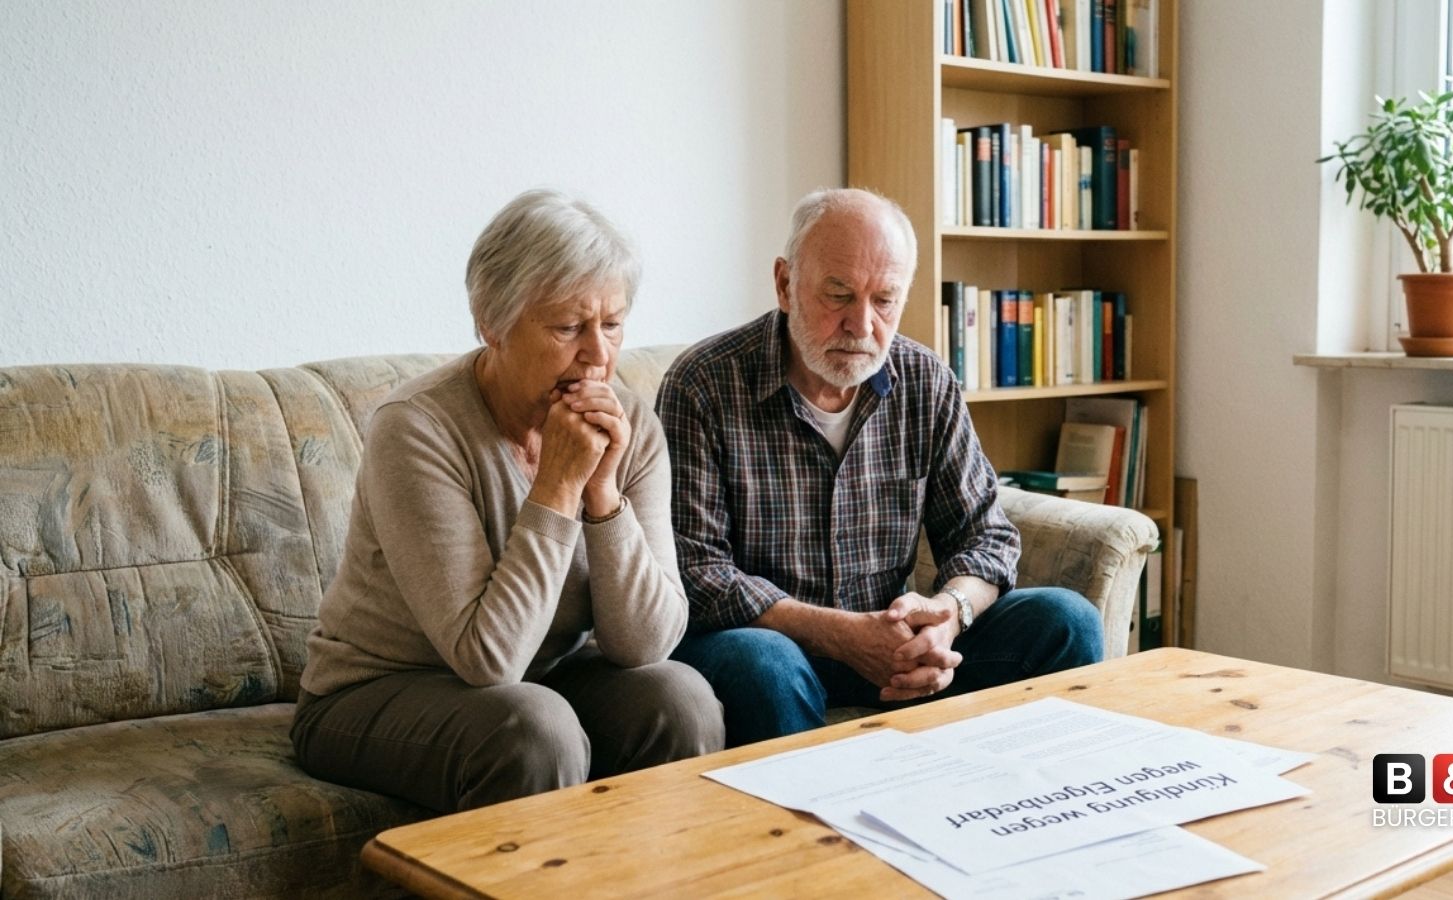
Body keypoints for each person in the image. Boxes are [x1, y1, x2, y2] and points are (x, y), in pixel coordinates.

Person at [292, 190, 723, 812]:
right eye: (568, 327)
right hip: (377, 689)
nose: (599, 355)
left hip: (541, 677)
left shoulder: (629, 425)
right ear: (490, 323)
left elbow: (646, 645)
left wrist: (603, 495)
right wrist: (558, 487)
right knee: (534, 728)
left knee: (680, 699)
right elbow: (487, 659)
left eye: (612, 324)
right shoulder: (416, 429)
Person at [658, 188, 1103, 747]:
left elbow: (985, 536)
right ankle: (821, 806)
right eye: (838, 294)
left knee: (1066, 620)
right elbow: (696, 572)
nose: (862, 324)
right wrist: (841, 634)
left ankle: (1019, 795)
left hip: (894, 643)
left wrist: (946, 615)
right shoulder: (702, 384)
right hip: (768, 644)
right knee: (763, 663)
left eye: (885, 300)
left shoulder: (925, 380)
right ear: (785, 284)